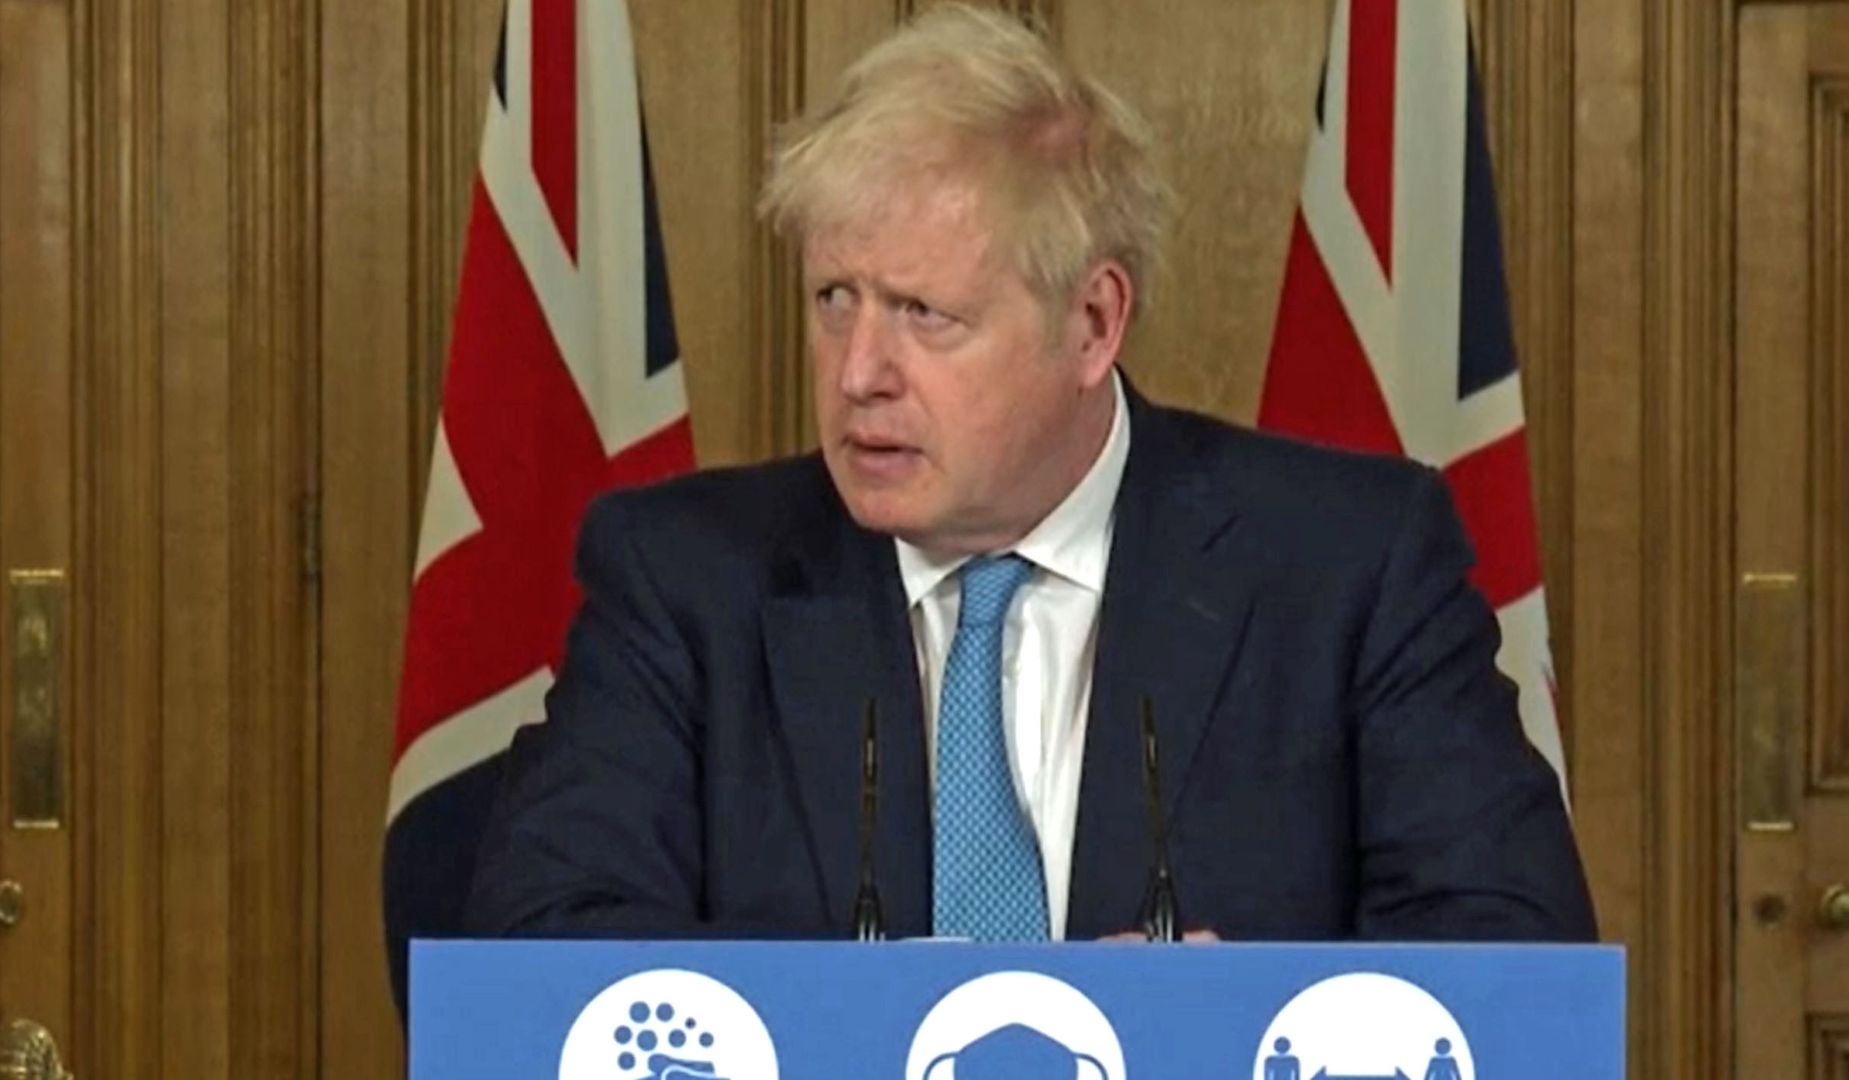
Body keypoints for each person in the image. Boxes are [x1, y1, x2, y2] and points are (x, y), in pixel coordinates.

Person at [466, 3, 1596, 944]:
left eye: (924, 314)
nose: (860, 372)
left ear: (1094, 322)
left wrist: (1221, 1030)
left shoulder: (1351, 567)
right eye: (834, 301)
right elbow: (543, 940)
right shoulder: (684, 580)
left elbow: (1508, 951)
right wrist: (902, 1024)